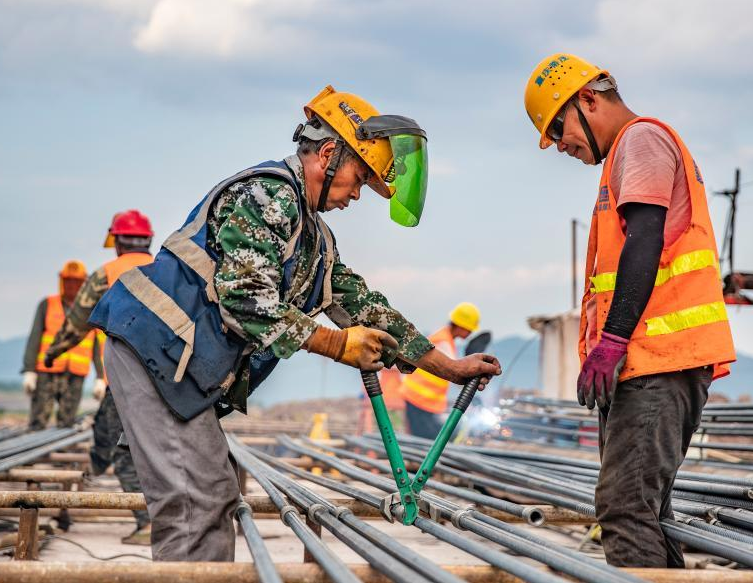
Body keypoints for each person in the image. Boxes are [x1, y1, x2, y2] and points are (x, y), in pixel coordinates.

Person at [89, 85, 501, 561]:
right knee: (193, 502)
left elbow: (364, 305)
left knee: (214, 494)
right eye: (359, 178)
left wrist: (448, 368)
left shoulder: (313, 236)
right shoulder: (269, 196)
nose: (356, 195)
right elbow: (245, 300)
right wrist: (332, 343)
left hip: (173, 360)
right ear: (328, 155)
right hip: (152, 348)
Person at [524, 53, 736, 568]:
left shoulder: (641, 141)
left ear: (588, 100)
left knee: (622, 509)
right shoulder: (626, 153)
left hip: (659, 360)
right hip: (646, 363)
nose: (561, 147)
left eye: (559, 130)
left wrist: (614, 339)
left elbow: (645, 238)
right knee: (644, 511)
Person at [45, 210, 154, 545]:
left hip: (124, 380)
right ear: (148, 240)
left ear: (117, 241)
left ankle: (149, 522)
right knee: (148, 446)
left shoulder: (107, 274)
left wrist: (53, 353)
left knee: (123, 451)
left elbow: (78, 323)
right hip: (168, 382)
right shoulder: (167, 270)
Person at [21, 260, 104, 431]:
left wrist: (101, 377)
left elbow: (98, 346)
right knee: (38, 421)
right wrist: (29, 370)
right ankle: (38, 454)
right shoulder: (48, 305)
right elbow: (34, 338)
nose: (72, 285)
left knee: (67, 423)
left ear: (83, 283)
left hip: (75, 374)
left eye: (76, 281)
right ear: (62, 281)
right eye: (68, 280)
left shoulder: (91, 310)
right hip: (47, 372)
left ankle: (64, 455)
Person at [400, 302, 480, 438]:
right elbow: (456, 373)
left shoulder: (444, 337)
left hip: (419, 398)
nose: (470, 333)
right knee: (427, 440)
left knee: (420, 439)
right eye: (469, 329)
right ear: (461, 326)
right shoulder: (444, 344)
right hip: (421, 399)